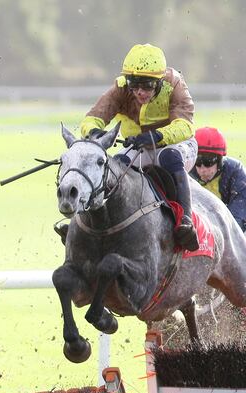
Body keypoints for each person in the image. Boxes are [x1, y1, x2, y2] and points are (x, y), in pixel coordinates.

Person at [67, 43, 199, 251]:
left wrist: (155, 135)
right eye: (134, 84)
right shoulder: (120, 88)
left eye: (147, 85)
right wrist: (94, 133)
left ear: (159, 81)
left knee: (169, 158)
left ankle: (186, 221)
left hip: (177, 145)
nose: (139, 92)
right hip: (140, 148)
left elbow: (185, 126)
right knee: (114, 167)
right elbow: (92, 118)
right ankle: (83, 224)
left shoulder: (174, 84)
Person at [191, 127, 246, 231]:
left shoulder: (235, 172)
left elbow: (236, 223)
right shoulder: (186, 172)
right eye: (197, 162)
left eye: (208, 161)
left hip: (225, 228)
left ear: (220, 160)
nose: (203, 169)